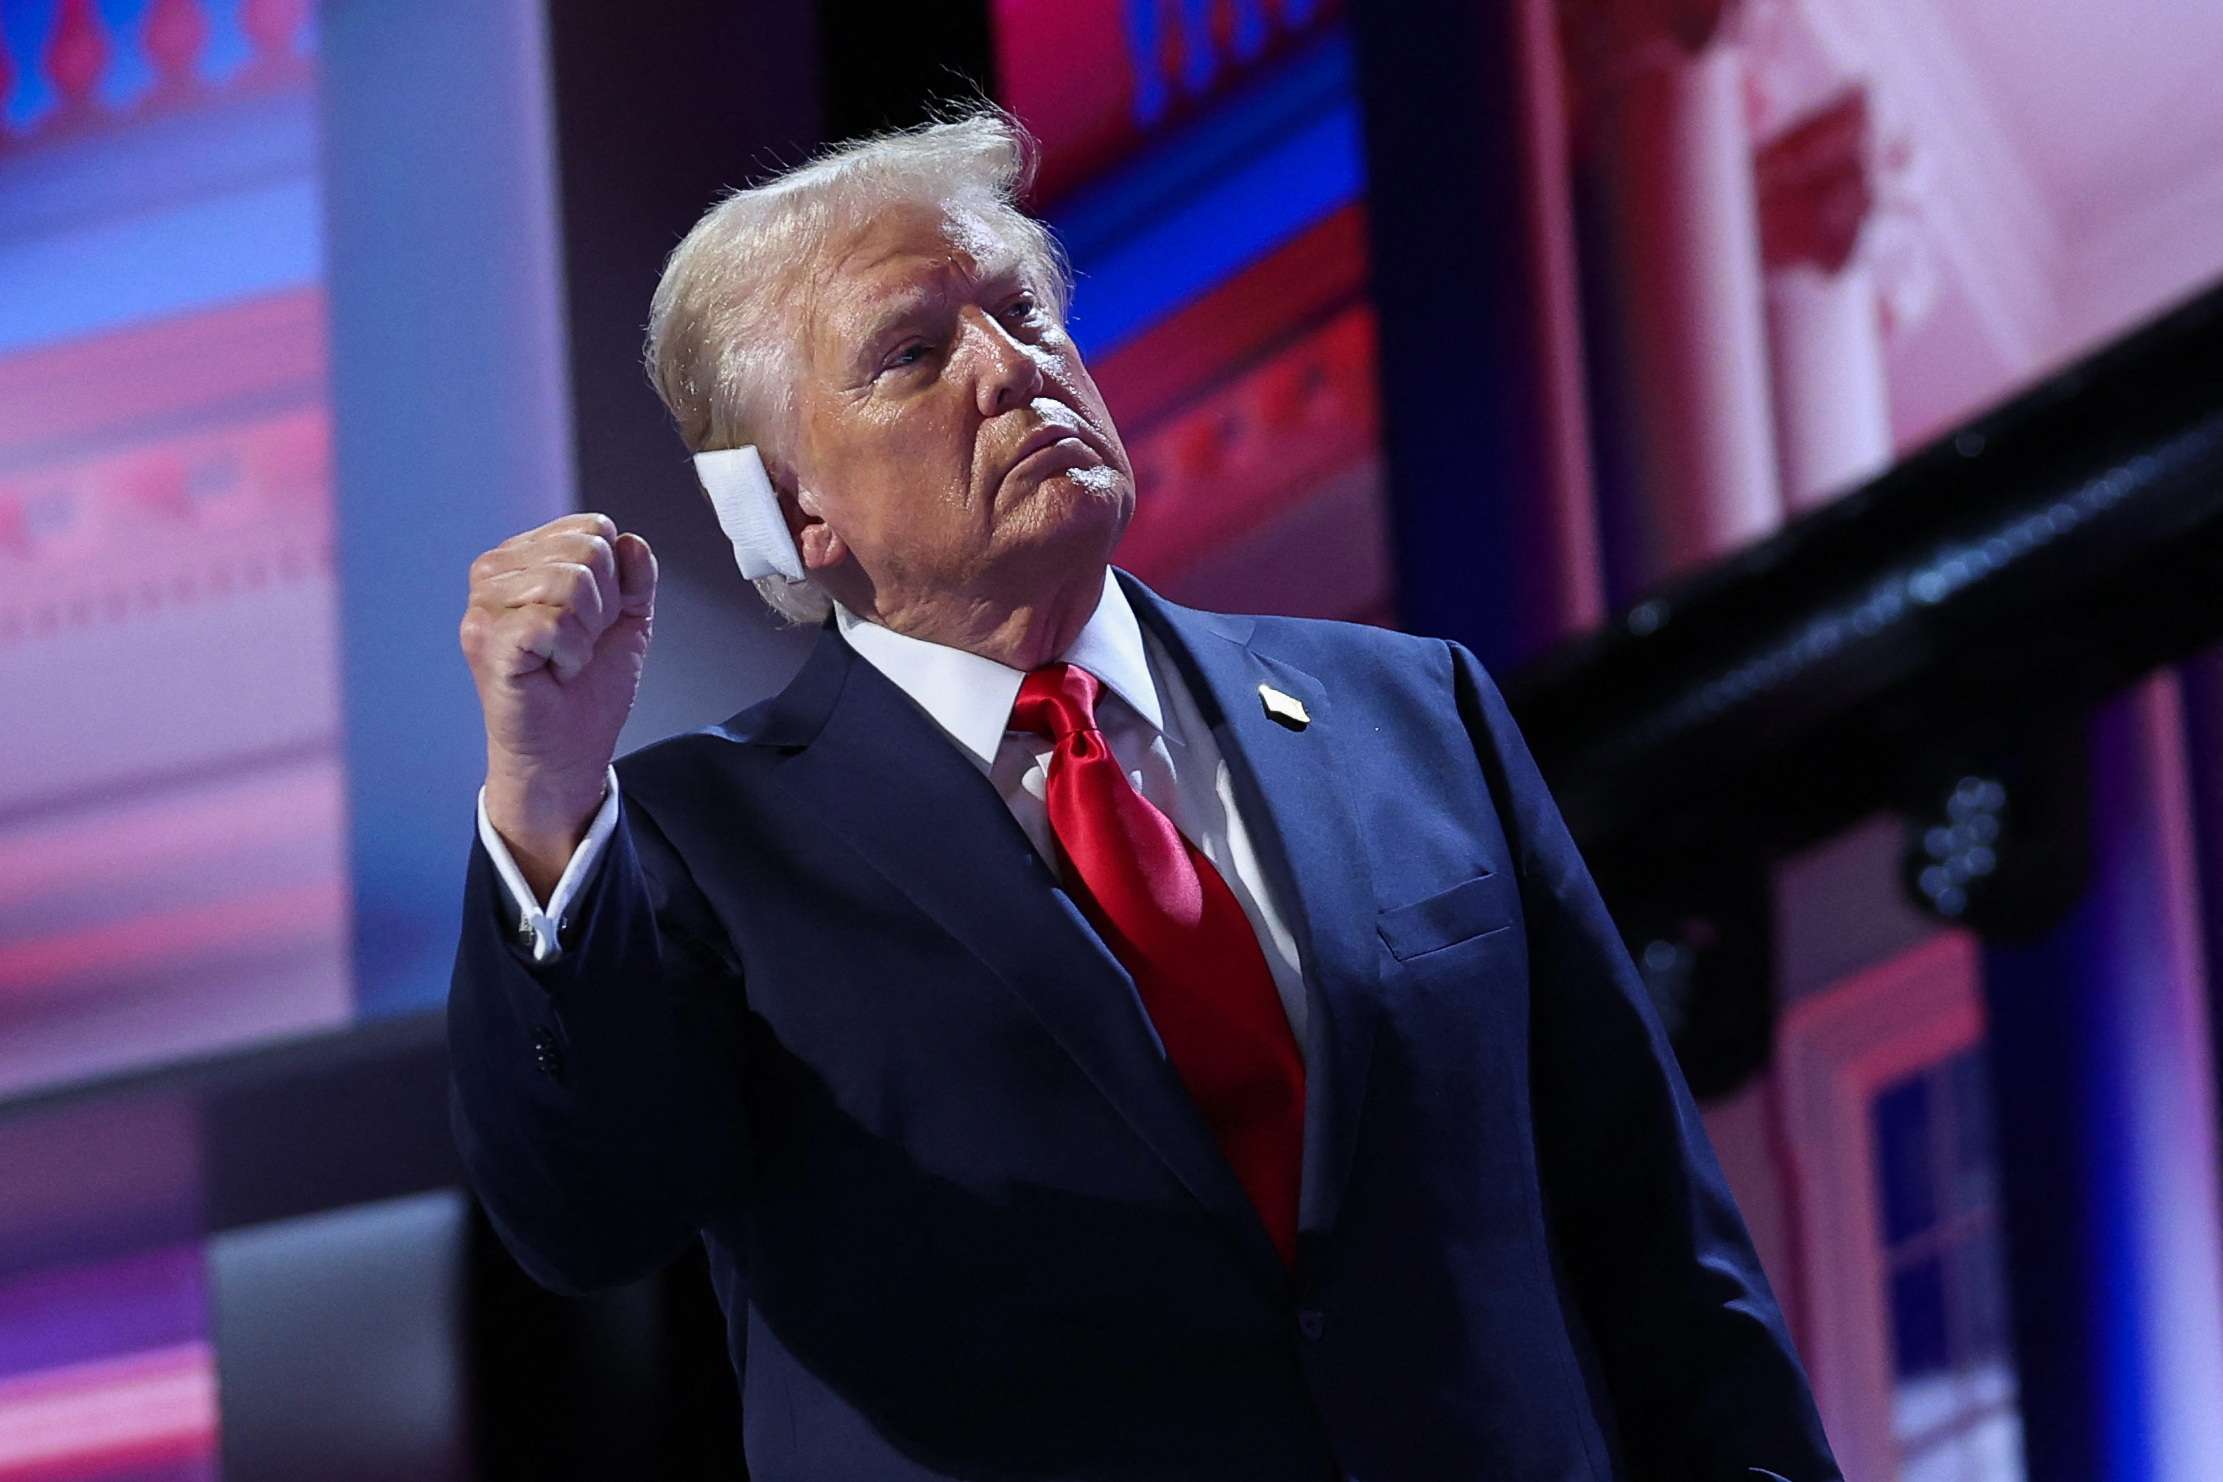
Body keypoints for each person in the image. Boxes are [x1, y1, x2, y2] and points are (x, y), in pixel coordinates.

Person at [446, 109, 1841, 1481]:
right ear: (797, 516)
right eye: (914, 353)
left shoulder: (1417, 714)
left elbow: (1656, 1239)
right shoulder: (703, 842)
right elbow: (588, 1217)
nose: (1011, 369)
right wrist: (547, 789)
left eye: (1023, 314)